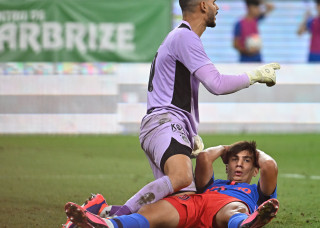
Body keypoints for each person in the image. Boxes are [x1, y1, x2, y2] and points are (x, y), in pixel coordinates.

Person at [63, 1, 280, 225]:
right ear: (203, 5)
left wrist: (190, 133)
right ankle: (112, 218)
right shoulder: (185, 38)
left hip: (164, 124)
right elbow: (216, 84)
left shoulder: (180, 38)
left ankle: (104, 210)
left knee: (180, 203)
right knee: (182, 177)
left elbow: (178, 91)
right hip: (165, 121)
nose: (217, 6)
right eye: (214, 2)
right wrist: (255, 75)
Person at [65, 140, 279, 228]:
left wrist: (252, 149)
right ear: (227, 164)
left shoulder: (257, 192)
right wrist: (227, 148)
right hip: (196, 203)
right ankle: (107, 225)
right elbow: (204, 157)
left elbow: (270, 166)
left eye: (247, 160)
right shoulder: (212, 184)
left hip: (227, 209)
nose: (239, 164)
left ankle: (246, 223)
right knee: (151, 210)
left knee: (235, 209)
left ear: (255, 169)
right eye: (235, 159)